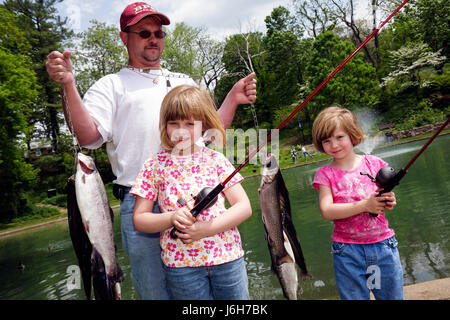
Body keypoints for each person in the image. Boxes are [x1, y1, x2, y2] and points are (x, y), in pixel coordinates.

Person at [45, 2, 257, 300]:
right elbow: (88, 137)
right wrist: (68, 84)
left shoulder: (184, 81)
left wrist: (233, 99)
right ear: (124, 38)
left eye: (159, 32)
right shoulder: (111, 85)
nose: (153, 38)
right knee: (156, 293)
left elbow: (209, 134)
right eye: (144, 32)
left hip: (199, 199)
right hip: (141, 202)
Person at [131, 85, 252, 300]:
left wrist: (204, 230)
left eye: (189, 123)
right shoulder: (153, 166)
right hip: (181, 267)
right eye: (173, 123)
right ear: (164, 125)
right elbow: (140, 220)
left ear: (203, 124)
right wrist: (171, 217)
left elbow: (244, 207)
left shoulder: (216, 160)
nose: (181, 130)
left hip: (227, 259)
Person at [311, 106, 403, 300]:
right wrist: (364, 206)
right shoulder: (325, 175)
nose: (334, 145)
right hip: (347, 252)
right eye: (326, 141)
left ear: (352, 135)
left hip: (383, 245)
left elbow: (384, 197)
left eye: (339, 137)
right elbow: (326, 211)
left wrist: (389, 200)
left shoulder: (374, 163)